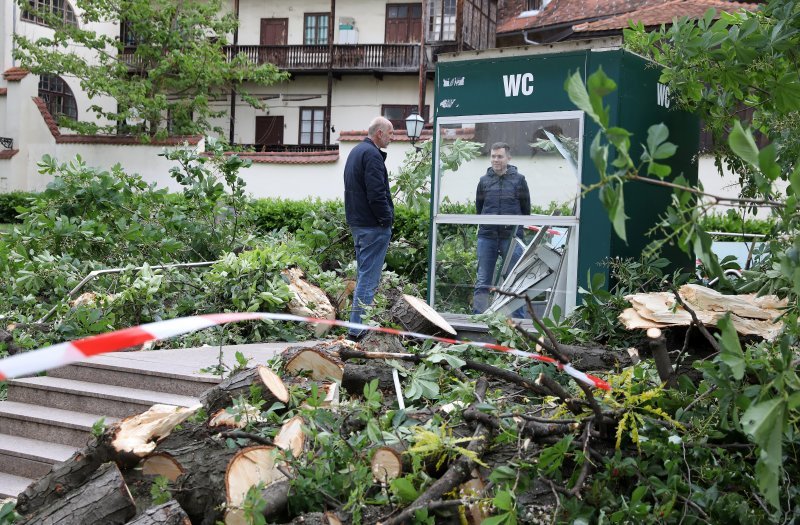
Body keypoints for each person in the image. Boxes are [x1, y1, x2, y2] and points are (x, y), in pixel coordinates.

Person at [343, 116, 395, 340]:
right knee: (368, 280)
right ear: (379, 133)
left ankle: (355, 327)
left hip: (358, 223)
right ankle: (356, 331)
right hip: (372, 226)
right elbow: (376, 194)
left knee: (364, 276)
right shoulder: (372, 155)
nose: (392, 138)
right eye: (391, 133)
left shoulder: (356, 152)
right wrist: (386, 219)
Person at [473, 142, 531, 317]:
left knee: (515, 280)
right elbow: (479, 207)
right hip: (487, 236)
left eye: (499, 156)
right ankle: (478, 318)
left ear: (508, 158)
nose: (495, 160)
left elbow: (525, 208)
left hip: (511, 237)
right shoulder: (483, 181)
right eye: (493, 156)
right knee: (483, 280)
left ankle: (518, 321)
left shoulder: (519, 180)